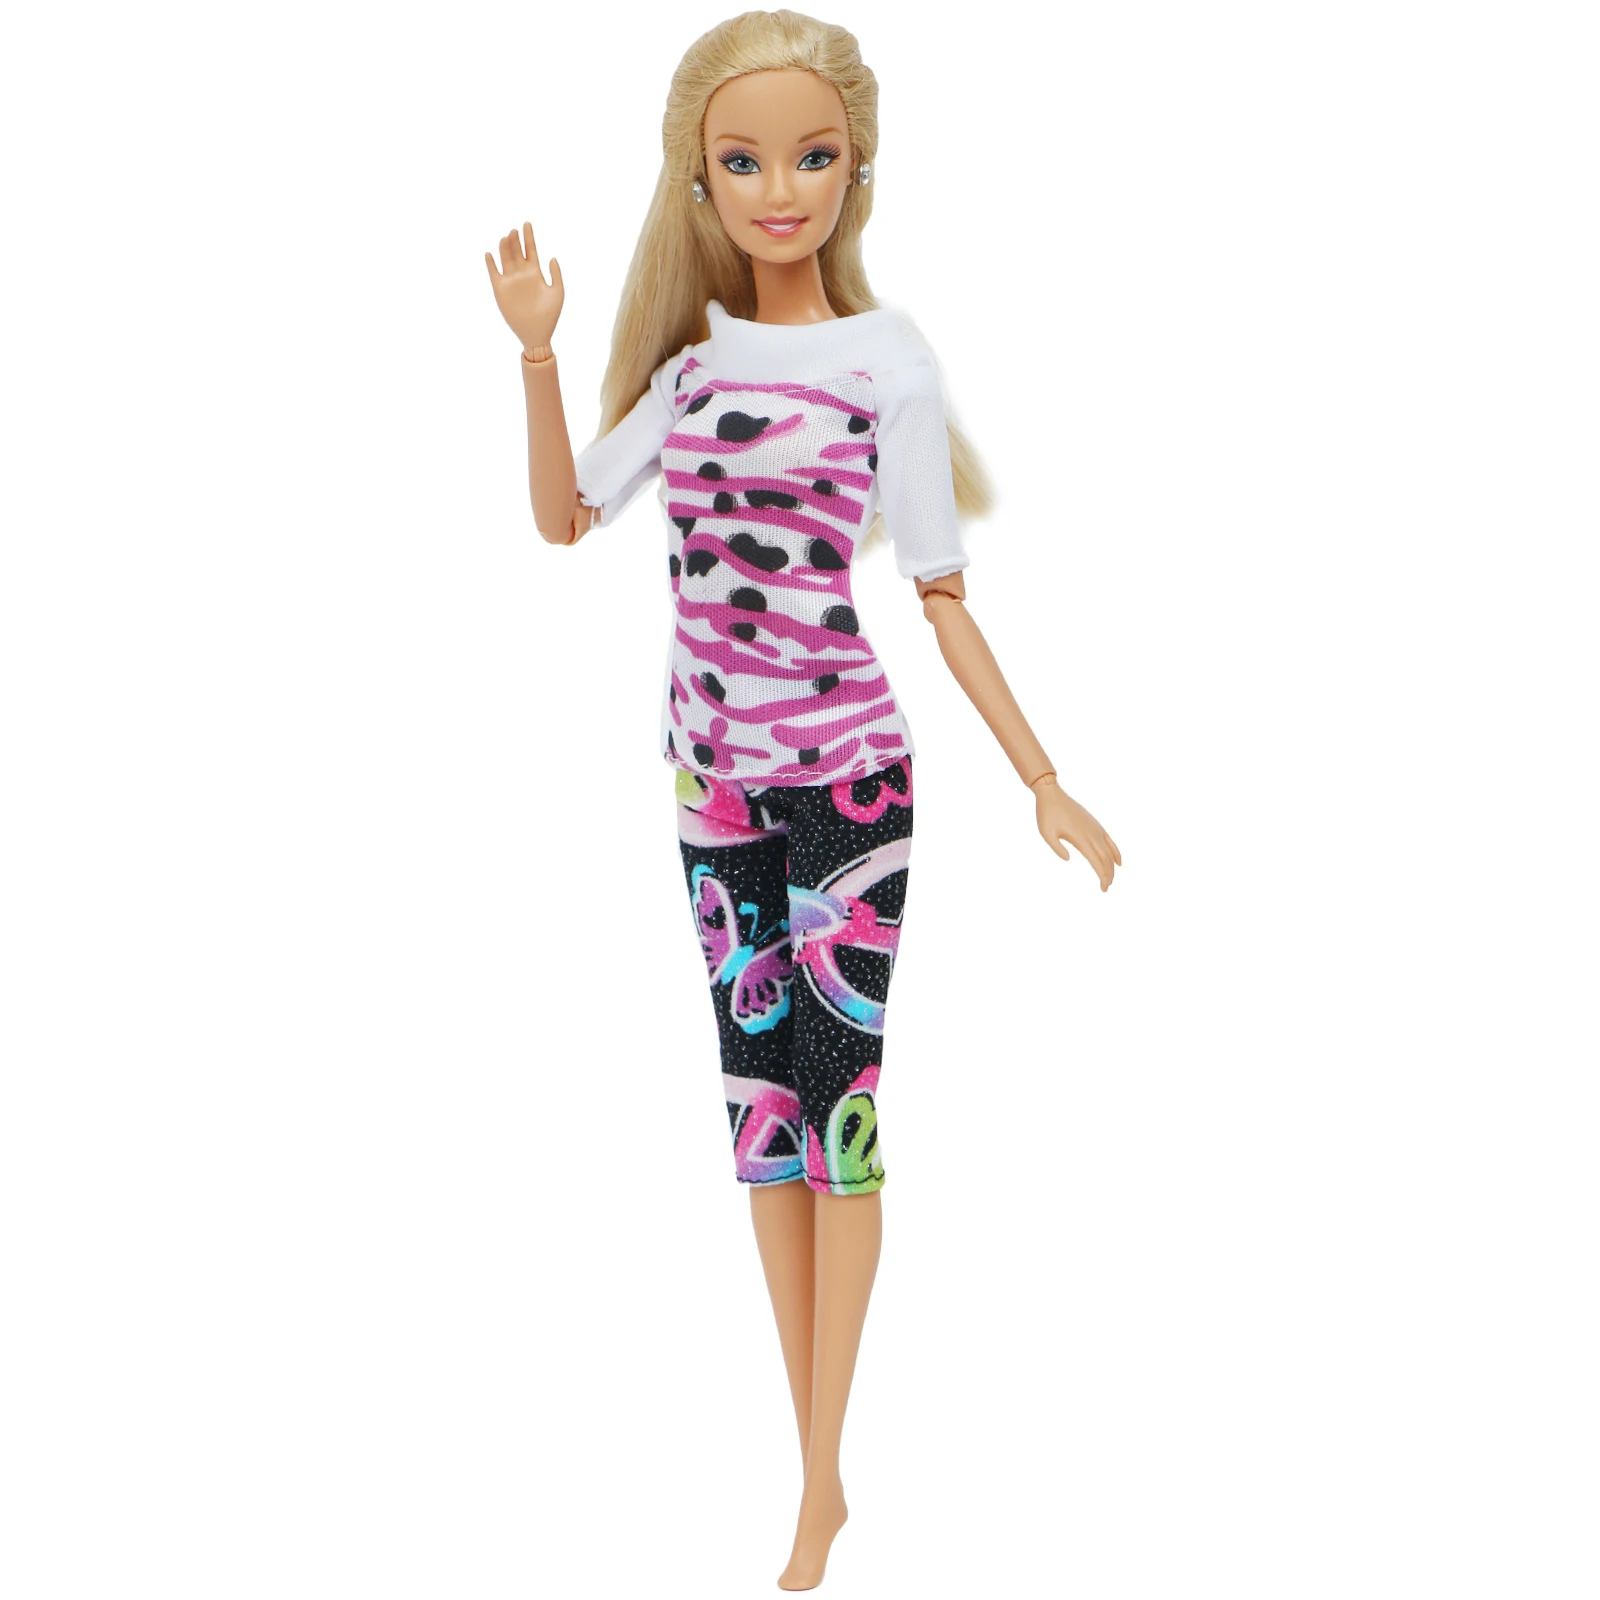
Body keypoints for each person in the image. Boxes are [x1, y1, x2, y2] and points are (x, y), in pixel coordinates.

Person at [485, 10, 1120, 1589]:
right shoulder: (694, 372)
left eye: (812, 157)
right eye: (747, 161)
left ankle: (824, 1472)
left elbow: (941, 594)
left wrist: (1044, 778)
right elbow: (564, 519)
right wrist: (538, 353)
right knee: (760, 1116)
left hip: (846, 779)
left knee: (842, 1111)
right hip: (707, 779)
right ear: (700, 179)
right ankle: (815, 1467)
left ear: (857, 166)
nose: (782, 190)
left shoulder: (885, 362)